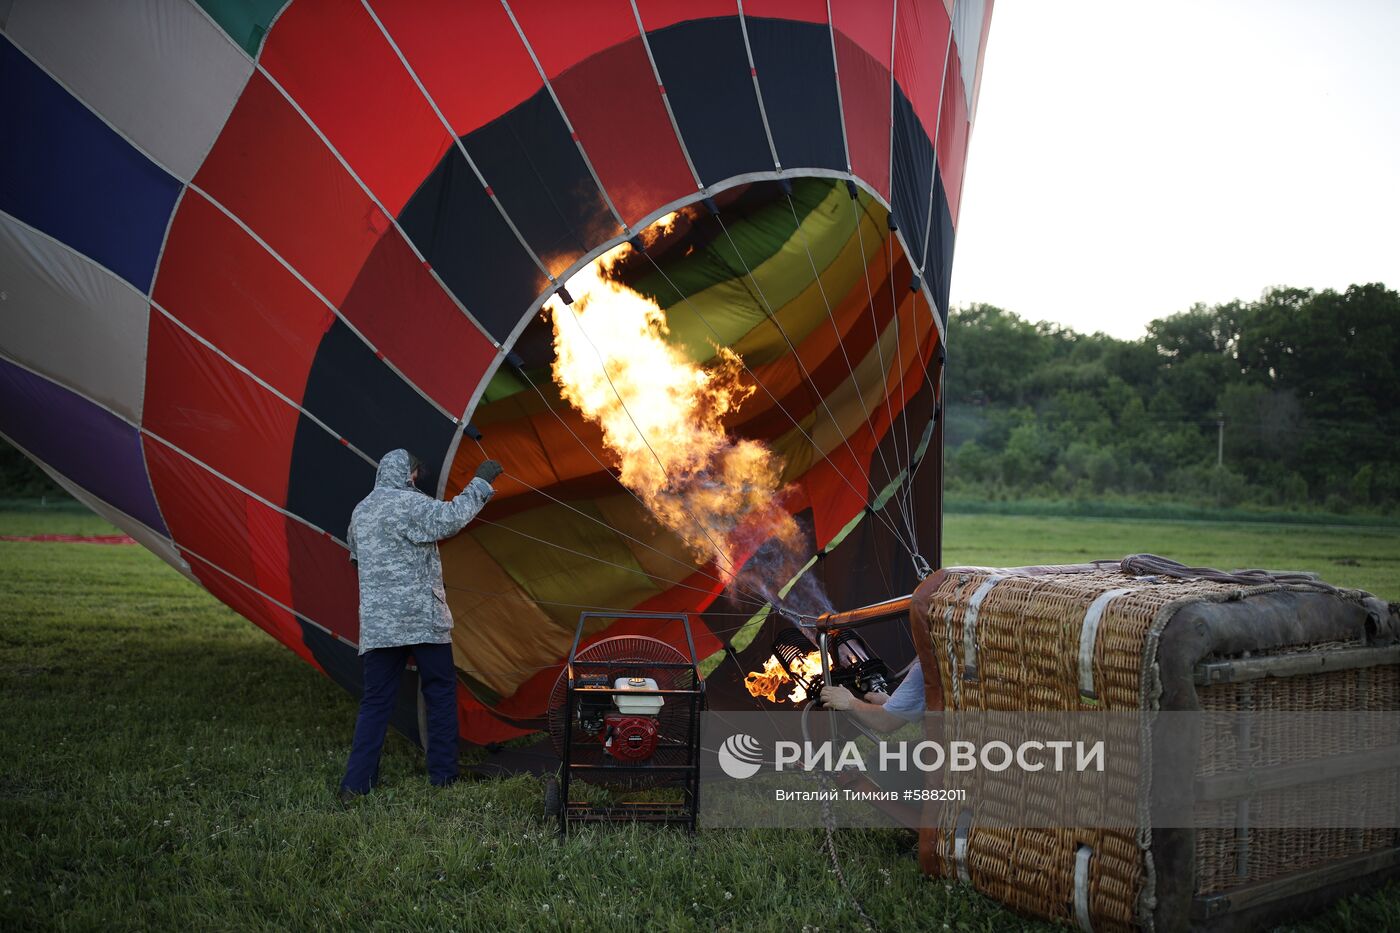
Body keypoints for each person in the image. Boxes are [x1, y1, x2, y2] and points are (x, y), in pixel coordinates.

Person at [338, 449, 503, 802]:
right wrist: (482, 481)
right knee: (440, 695)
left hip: (379, 626)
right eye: (415, 475)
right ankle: (443, 777)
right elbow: (450, 519)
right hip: (424, 620)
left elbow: (356, 560)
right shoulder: (410, 504)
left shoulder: (360, 512)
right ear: (409, 474)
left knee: (375, 702)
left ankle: (356, 785)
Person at [818, 659, 926, 733]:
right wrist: (890, 702)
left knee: (875, 758)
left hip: (938, 752)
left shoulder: (924, 667)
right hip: (941, 741)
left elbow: (885, 721)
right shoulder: (936, 659)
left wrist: (850, 702)